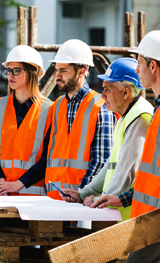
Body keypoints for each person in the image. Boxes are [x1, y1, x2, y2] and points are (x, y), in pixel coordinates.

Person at [91, 30, 160, 263]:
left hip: (154, 227)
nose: (136, 69)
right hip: (146, 223)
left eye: (139, 63)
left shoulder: (146, 116)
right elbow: (148, 176)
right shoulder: (157, 112)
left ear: (153, 66)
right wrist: (122, 199)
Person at [60, 57, 153, 221]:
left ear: (125, 92)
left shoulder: (140, 117)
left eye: (107, 89)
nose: (102, 95)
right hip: (123, 215)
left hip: (132, 219)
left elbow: (127, 171)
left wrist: (100, 199)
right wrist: (84, 193)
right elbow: (112, 166)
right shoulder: (126, 116)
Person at [45, 39, 116, 200]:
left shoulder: (100, 106)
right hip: (54, 198)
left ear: (82, 72)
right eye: (56, 70)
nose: (57, 76)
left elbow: (102, 160)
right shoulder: (57, 106)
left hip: (84, 201)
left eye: (63, 70)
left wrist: (82, 193)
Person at [0, 45, 53, 196]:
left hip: (31, 198)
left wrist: (19, 184)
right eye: (8, 70)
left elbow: (48, 158)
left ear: (32, 72)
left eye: (16, 71)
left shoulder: (50, 110)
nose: (10, 75)